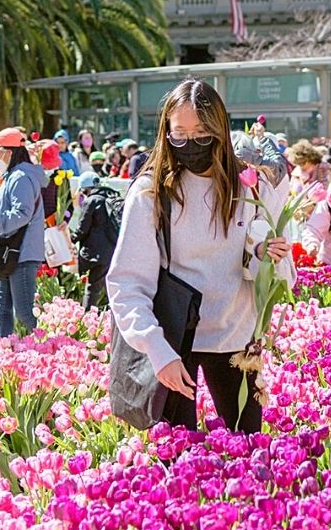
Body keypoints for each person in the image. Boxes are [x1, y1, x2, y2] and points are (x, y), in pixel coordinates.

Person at [107, 78, 292, 433]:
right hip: (174, 338)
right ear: (166, 133)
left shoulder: (250, 185)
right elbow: (127, 281)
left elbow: (261, 265)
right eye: (179, 135)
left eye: (202, 133)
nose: (191, 145)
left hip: (235, 338)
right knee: (177, 458)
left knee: (247, 448)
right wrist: (156, 350)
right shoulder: (151, 193)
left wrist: (264, 254)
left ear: (220, 130)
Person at [0, 127, 46, 336]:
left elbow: (22, 214)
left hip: (21, 253)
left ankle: (51, 348)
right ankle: (2, 351)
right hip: (11, 252)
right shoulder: (15, 176)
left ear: (10, 151)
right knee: (2, 308)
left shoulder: (20, 177)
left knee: (23, 313)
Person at [69, 171, 123, 309]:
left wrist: (70, 240)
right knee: (111, 289)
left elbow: (82, 228)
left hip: (95, 254)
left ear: (86, 189)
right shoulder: (112, 197)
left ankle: (87, 320)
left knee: (92, 289)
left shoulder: (91, 201)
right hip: (112, 251)